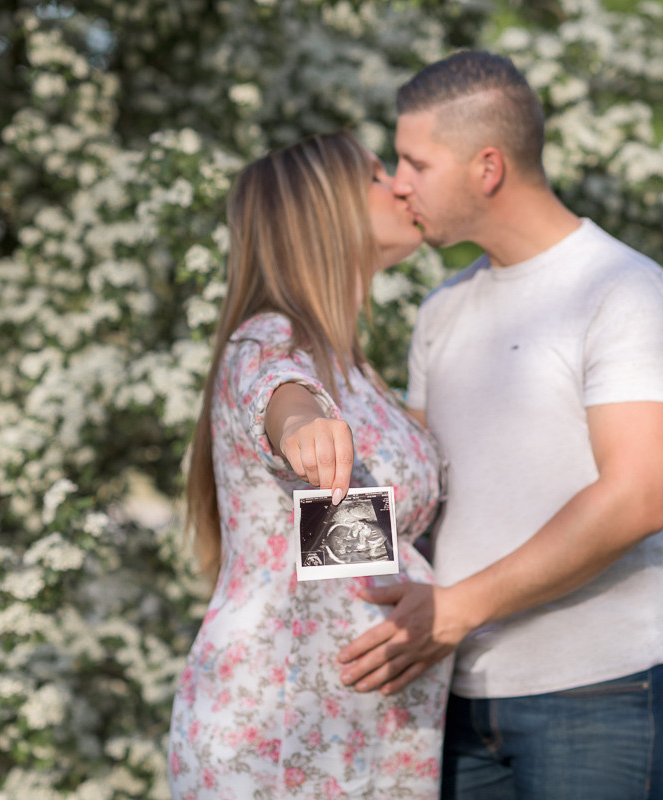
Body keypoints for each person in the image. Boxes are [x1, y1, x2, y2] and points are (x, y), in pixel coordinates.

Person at [335, 52, 663, 800]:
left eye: (415, 161)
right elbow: (414, 495)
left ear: (488, 167)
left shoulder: (624, 291)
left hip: (600, 693)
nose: (399, 183)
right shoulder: (443, 309)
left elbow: (636, 498)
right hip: (454, 697)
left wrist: (457, 609)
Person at [167, 132, 451, 799]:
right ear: (326, 212)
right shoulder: (268, 342)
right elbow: (277, 392)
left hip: (356, 734)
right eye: (379, 176)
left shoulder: (355, 369)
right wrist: (301, 426)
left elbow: (348, 554)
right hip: (279, 738)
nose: (402, 186)